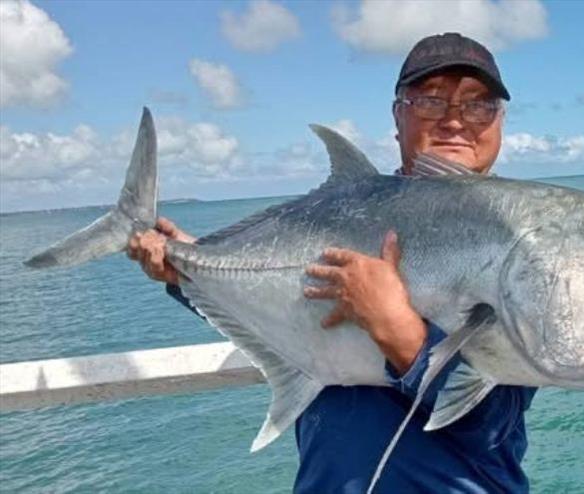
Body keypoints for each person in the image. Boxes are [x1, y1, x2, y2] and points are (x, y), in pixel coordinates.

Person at [128, 33, 536, 493]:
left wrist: (394, 324)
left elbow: (488, 425)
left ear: (500, 122)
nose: (455, 120)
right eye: (431, 100)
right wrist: (187, 265)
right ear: (398, 115)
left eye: (479, 105)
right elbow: (284, 292)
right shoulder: (351, 210)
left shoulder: (517, 236)